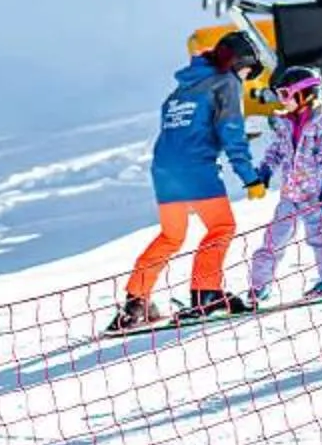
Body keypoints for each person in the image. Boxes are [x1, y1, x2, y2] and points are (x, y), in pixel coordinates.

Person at [110, 31, 265, 330]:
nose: (246, 79)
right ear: (238, 62)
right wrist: (250, 177)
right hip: (195, 167)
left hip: (164, 170)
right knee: (222, 227)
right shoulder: (226, 81)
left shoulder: (180, 90)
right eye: (247, 71)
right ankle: (205, 293)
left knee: (171, 237)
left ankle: (135, 302)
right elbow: (231, 132)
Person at [241, 63, 322, 307]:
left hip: (313, 193)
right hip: (290, 193)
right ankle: (259, 286)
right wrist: (264, 170)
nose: (281, 100)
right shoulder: (284, 121)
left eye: (285, 94)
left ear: (306, 94)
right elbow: (276, 150)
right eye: (279, 94)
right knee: (273, 239)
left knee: (317, 236)